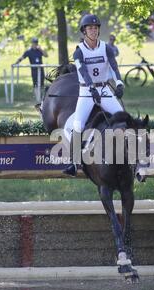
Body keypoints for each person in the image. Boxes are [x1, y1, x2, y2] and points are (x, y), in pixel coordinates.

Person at [62, 14, 125, 176]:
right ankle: (75, 163)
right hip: (86, 91)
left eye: (96, 28)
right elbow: (83, 72)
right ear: (84, 31)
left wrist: (119, 83)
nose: (94, 31)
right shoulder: (79, 52)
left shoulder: (106, 48)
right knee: (77, 126)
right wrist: (91, 89)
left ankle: (132, 158)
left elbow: (113, 66)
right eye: (90, 28)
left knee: (123, 118)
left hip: (104, 89)